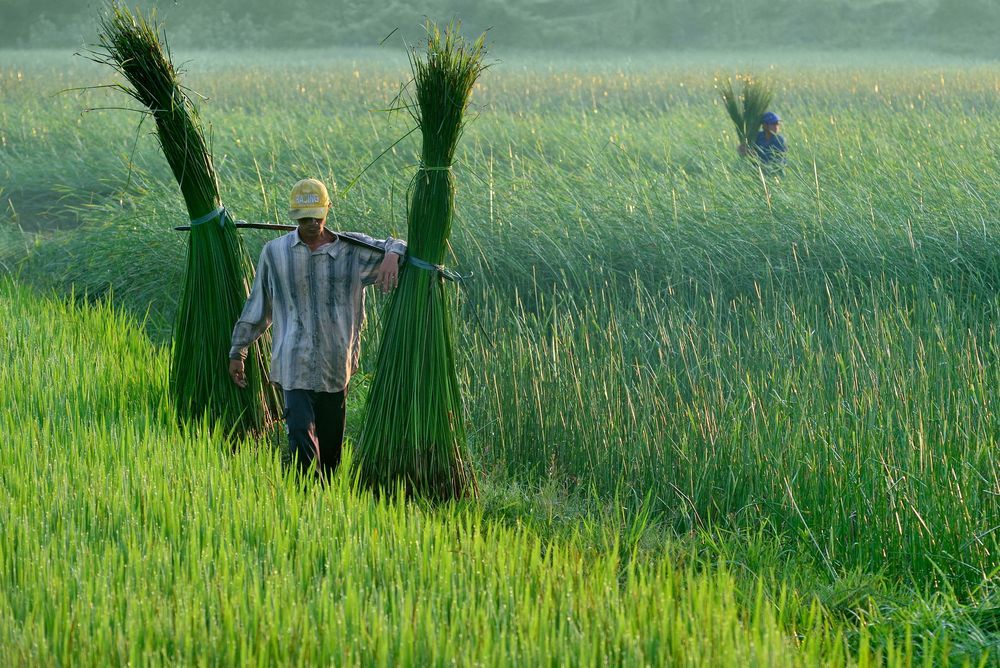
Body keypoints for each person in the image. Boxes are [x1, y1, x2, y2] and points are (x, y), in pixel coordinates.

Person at [228, 178, 406, 479]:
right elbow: (259, 305)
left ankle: (326, 499)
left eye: (316, 217)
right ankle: (306, 500)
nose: (311, 224)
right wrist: (238, 350)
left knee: (331, 453)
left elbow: (401, 245)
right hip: (293, 362)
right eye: (303, 218)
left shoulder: (352, 251)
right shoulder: (275, 253)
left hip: (335, 365)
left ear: (328, 211)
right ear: (293, 216)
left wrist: (392, 255)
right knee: (300, 439)